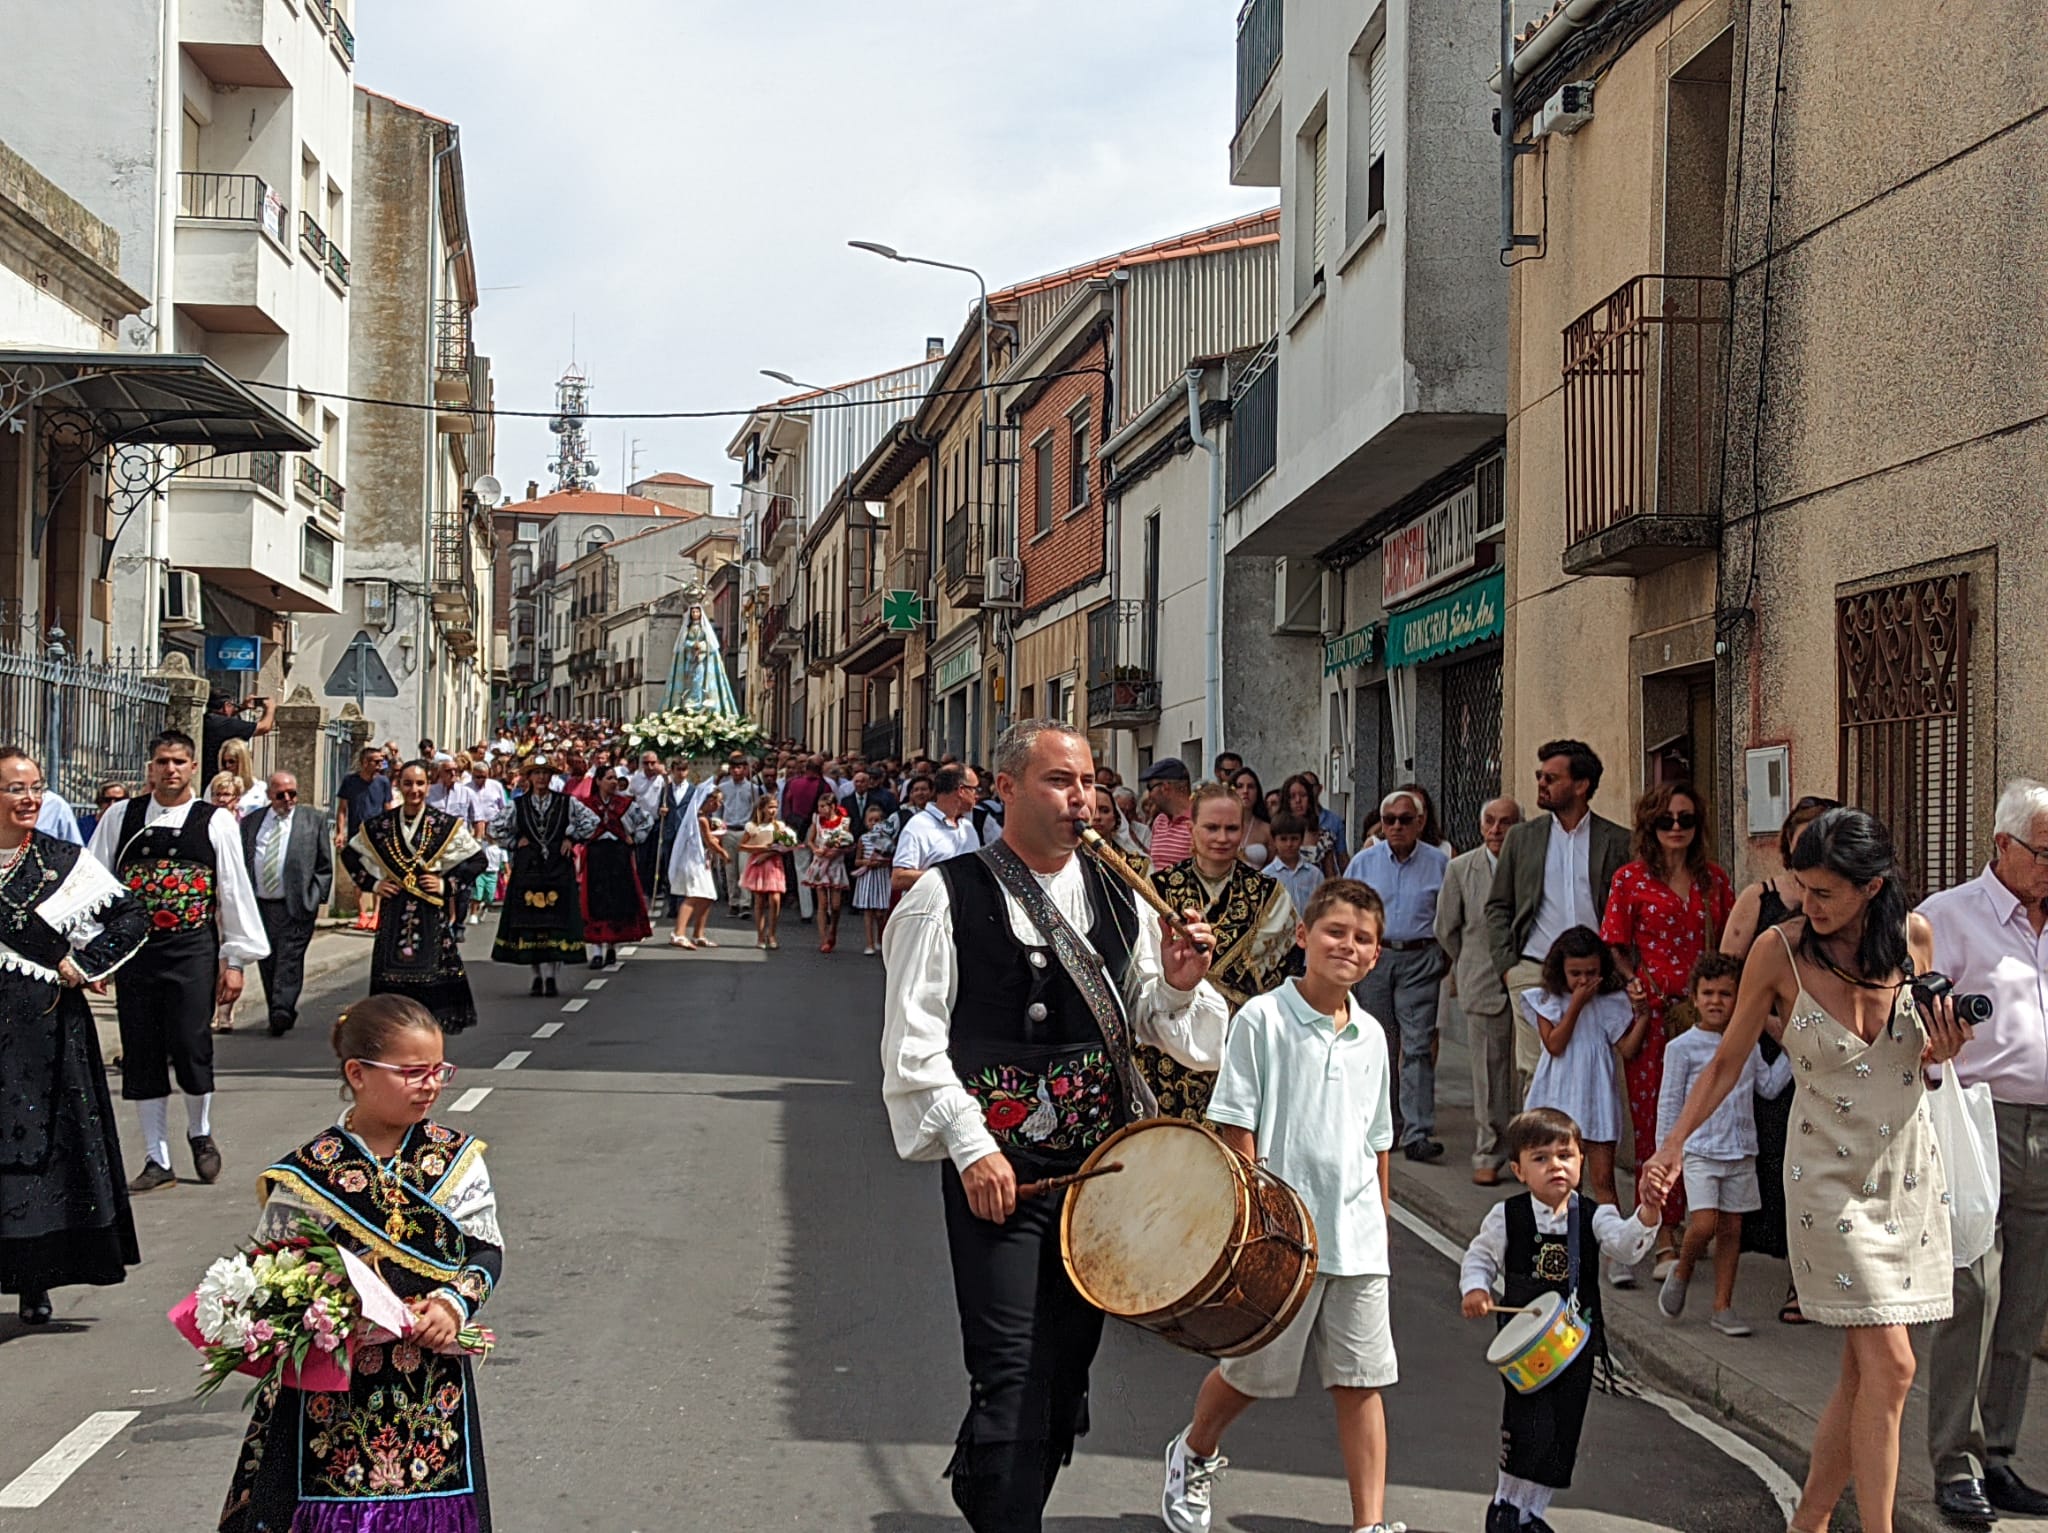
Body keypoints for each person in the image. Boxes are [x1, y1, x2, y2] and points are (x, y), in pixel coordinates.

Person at [880, 719, 1224, 1533]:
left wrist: (1177, 983)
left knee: (1065, 1374)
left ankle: (992, 1485)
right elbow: (915, 1045)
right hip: (1000, 1173)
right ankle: (1005, 1509)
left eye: (1089, 782)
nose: (1083, 798)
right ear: (1004, 788)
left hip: (1098, 1179)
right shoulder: (947, 894)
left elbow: (1162, 1022)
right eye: (1061, 780)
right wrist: (971, 1147)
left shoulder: (1116, 892)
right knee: (1008, 1370)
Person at [1641, 807, 1972, 1533]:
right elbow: (1727, 1059)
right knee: (1894, 1366)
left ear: (1872, 886)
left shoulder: (1913, 938)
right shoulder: (1776, 950)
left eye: (1823, 893)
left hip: (1908, 1173)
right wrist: (1671, 1147)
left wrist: (1944, 1049)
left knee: (1864, 1376)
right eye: (1801, 887)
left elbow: (1924, 1060)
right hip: (1826, 1181)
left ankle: (1810, 1521)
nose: (1806, 904)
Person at [1162, 881, 1402, 1533]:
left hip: (1356, 1240)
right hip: (1284, 1240)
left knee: (1361, 1381)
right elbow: (1237, 1125)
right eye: (1334, 931)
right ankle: (1194, 1449)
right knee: (1250, 1373)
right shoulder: (1262, 1019)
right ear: (1303, 936)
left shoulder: (1374, 1036)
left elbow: (1378, 1140)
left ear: (1376, 955)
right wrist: (1257, 1225)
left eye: (1362, 938)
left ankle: (1370, 1524)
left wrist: (1378, 1224)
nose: (1347, 945)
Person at [219, 995, 501, 1533]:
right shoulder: (310, 1172)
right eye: (413, 1072)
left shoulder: (456, 1160)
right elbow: (272, 1273)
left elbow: (485, 1248)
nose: (432, 1085)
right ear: (358, 1073)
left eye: (439, 1070)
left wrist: (453, 1303)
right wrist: (327, 1313)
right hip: (332, 1383)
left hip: (429, 1378)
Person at [1922, 778, 2048, 1526]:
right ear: (2002, 845)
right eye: (2044, 853)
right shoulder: (1948, 917)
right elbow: (1913, 1020)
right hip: (1978, 1118)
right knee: (1972, 1289)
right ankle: (1955, 1461)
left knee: (2027, 1300)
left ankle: (1998, 1453)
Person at [0, 747, 150, 1326]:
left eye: (36, 786)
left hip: (45, 1030)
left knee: (45, 1156)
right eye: (16, 788)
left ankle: (34, 1279)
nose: (29, 798)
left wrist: (87, 962)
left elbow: (130, 915)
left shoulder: (62, 861)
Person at [1460, 1107, 1662, 1533]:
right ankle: (1505, 1507)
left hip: (1575, 1344)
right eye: (1541, 1158)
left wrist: (1646, 1213)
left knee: (1561, 1430)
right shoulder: (1507, 1216)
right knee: (1525, 1425)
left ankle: (1532, 1513)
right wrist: (1475, 1288)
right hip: (1524, 1348)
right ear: (1518, 1169)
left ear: (1581, 1161)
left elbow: (1626, 1247)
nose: (1556, 1166)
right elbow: (1480, 1255)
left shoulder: (1594, 1215)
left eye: (1565, 1156)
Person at [88, 729, 268, 1193]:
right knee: (142, 1050)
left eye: (179, 762)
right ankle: (155, 1157)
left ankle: (199, 1131)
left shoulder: (215, 822)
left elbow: (232, 891)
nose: (170, 770)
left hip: (192, 946)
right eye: (162, 761)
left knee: (191, 1045)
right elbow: (95, 883)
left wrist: (235, 960)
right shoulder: (121, 818)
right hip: (137, 950)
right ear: (150, 768)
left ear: (193, 769)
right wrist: (97, 953)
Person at [1601, 779, 1736, 1278]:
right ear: (1650, 826)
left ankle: (1700, 1225)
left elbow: (1728, 943)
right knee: (1655, 1124)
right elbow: (1615, 942)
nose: (1676, 828)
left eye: (1686, 819)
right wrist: (1634, 983)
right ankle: (1659, 1231)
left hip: (1705, 1018)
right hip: (1655, 1018)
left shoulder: (1714, 882)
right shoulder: (1630, 880)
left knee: (1704, 1119)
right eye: (1666, 820)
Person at [1720, 793, 1839, 1323]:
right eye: (1803, 833)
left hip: (1827, 1054)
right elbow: (1729, 973)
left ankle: (1806, 1281)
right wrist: (1773, 1025)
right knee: (1776, 1163)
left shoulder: (1849, 902)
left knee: (1817, 1172)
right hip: (1771, 1048)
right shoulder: (1760, 897)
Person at [1654, 951, 1792, 1335]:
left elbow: (1767, 1086)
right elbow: (1669, 1104)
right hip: (1700, 1150)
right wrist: (1667, 1153)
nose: (1717, 1001)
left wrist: (1793, 1052)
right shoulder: (1681, 1049)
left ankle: (1722, 1306)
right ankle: (1682, 1270)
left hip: (1741, 1149)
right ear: (1694, 998)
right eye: (1708, 993)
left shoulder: (1746, 1044)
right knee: (1704, 1224)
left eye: (1726, 994)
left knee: (1732, 1229)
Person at [1485, 740, 1632, 1097]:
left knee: (1595, 1072)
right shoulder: (1522, 838)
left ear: (1581, 786)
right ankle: (1537, 1152)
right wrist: (1509, 968)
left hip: (1597, 975)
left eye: (1551, 777)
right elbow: (1498, 906)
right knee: (1537, 1075)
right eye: (1540, 776)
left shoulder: (1617, 841)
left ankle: (1586, 1151)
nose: (1541, 784)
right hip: (1534, 971)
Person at [1141, 783, 1296, 1120]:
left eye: (1231, 828)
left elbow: (1282, 968)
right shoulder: (1158, 890)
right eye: (1211, 827)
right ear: (1192, 829)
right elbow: (1146, 964)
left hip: (1240, 1036)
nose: (1222, 837)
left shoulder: (1268, 893)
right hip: (1172, 1040)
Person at [1520, 926, 1652, 1269]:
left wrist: (1643, 1016)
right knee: (1555, 1179)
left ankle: (1616, 1255)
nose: (1583, 980)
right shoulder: (1548, 1001)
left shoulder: (1610, 1004)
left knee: (1603, 1180)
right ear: (1560, 971)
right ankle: (1552, 1249)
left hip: (1595, 1099)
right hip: (1559, 1097)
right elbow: (1555, 1044)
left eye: (1591, 973)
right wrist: (1576, 1005)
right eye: (1575, 974)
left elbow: (1627, 1048)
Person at [1346, 788, 1453, 1162]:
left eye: (1405, 820)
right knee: (1379, 1043)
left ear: (1420, 823)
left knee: (1419, 1045)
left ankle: (1418, 1130)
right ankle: (1384, 1125)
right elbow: (1346, 907)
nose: (1396, 827)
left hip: (1421, 956)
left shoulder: (1439, 863)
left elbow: (1451, 914)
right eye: (1389, 819)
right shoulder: (1365, 862)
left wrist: (1446, 954)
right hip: (1376, 957)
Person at [343, 761, 487, 1033]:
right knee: (393, 971)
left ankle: (428, 1033)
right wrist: (374, 885)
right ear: (398, 785)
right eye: (408, 783)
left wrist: (445, 885)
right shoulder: (382, 826)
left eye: (420, 784)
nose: (414, 789)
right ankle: (394, 1030)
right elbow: (350, 855)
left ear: (428, 786)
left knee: (431, 971)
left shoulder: (443, 824)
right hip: (394, 910)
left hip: (430, 910)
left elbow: (477, 860)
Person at [1437, 796, 1524, 1185]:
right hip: (1482, 980)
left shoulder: (1530, 864)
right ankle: (1488, 1150)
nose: (1496, 830)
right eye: (1490, 821)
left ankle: (1526, 1149)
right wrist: (1468, 963)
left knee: (1527, 1072)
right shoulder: (1460, 869)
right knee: (1488, 1072)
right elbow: (1446, 928)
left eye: (1506, 822)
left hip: (1528, 981)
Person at [490, 755, 599, 998]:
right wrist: (514, 841)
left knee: (555, 924)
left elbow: (592, 821)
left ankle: (551, 976)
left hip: (558, 869)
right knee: (530, 923)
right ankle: (536, 975)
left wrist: (572, 838)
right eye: (537, 773)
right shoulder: (518, 805)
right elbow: (493, 827)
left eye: (545, 773)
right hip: (528, 869)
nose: (541, 777)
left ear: (552, 777)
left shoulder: (566, 802)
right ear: (528, 777)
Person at [241, 772, 332, 1038]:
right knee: (268, 959)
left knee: (289, 959)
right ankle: (277, 1007)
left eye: (292, 793)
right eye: (281, 794)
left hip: (296, 904)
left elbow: (324, 866)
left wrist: (315, 897)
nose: (288, 799)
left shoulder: (311, 820)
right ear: (270, 795)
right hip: (261, 905)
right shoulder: (252, 823)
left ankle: (282, 1008)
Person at [580, 771, 653, 969]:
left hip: (618, 855)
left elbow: (647, 821)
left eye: (615, 779)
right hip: (596, 855)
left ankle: (612, 945)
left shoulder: (625, 805)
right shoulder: (586, 805)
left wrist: (634, 838)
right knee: (596, 901)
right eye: (609, 778)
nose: (613, 782)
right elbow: (572, 826)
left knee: (617, 901)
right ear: (598, 781)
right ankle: (596, 951)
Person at [892, 765, 982, 893]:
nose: (977, 795)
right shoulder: (919, 826)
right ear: (961, 790)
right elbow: (898, 878)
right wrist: (947, 877)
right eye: (975, 789)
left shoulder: (968, 827)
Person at [336, 746, 394, 933]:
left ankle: (376, 914)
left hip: (377, 836)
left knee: (378, 874)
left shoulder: (384, 782)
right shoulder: (350, 782)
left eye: (381, 761)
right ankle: (362, 914)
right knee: (358, 876)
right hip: (356, 835)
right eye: (376, 761)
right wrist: (340, 831)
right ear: (365, 763)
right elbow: (343, 809)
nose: (380, 765)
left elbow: (388, 808)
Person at [665, 778, 726, 950]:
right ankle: (678, 932)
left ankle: (698, 933)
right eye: (717, 801)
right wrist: (723, 852)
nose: (719, 805)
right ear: (708, 800)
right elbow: (709, 841)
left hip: (701, 860)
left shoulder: (705, 818)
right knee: (693, 895)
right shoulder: (701, 819)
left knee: (707, 896)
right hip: (693, 862)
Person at [739, 795, 792, 950]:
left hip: (774, 864)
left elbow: (786, 845)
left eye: (775, 807)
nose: (773, 810)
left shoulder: (779, 826)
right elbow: (742, 846)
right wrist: (760, 849)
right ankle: (761, 936)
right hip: (758, 864)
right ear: (762, 808)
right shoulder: (753, 826)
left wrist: (773, 850)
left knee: (775, 899)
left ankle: (772, 933)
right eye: (770, 807)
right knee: (760, 901)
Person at [804, 794, 854, 954]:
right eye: (819, 807)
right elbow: (810, 840)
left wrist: (838, 849)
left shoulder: (844, 822)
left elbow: (847, 841)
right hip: (820, 864)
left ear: (832, 807)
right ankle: (824, 938)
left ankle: (833, 929)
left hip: (835, 865)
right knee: (823, 904)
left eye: (823, 806)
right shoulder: (817, 821)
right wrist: (815, 850)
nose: (820, 810)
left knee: (836, 905)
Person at [199, 690, 273, 788]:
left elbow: (227, 716)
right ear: (226, 705)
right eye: (232, 705)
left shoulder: (206, 720)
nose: (234, 708)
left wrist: (241, 707)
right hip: (219, 783)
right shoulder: (222, 724)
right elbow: (264, 727)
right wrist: (271, 708)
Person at [720, 756, 761, 917]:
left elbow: (756, 809)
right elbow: (719, 809)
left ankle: (745, 903)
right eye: (734, 768)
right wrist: (718, 829)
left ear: (745, 769)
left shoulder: (753, 788)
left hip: (745, 830)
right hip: (728, 829)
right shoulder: (723, 787)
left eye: (740, 767)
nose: (737, 771)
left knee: (745, 868)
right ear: (729, 769)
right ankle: (733, 902)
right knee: (730, 869)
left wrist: (754, 828)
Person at [1266, 812, 1322, 931]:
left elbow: (1322, 906)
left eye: (1294, 839)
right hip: (1279, 938)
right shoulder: (1267, 876)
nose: (1289, 844)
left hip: (1308, 935)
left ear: (1301, 840)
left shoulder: (1314, 874)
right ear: (1274, 841)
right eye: (1283, 839)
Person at [625, 748, 670, 895]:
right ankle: (643, 886)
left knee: (657, 855)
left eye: (653, 763)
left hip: (658, 821)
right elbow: (630, 799)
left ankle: (657, 886)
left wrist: (664, 775)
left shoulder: (663, 779)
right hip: (642, 823)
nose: (650, 767)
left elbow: (672, 792)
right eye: (646, 763)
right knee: (642, 856)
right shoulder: (636, 779)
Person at [1280, 774, 1342, 878]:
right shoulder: (1275, 834)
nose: (1298, 800)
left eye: (1303, 795)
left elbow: (1330, 875)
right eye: (1292, 796)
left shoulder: (1324, 836)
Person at [853, 803, 893, 955]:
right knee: (868, 911)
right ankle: (869, 943)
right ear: (866, 822)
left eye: (877, 820)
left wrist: (882, 862)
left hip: (882, 877)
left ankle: (880, 939)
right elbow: (857, 861)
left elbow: (891, 858)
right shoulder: (863, 839)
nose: (874, 823)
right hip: (868, 877)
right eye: (871, 820)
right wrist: (867, 863)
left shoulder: (887, 840)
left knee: (881, 912)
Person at [1142, 758, 1195, 870]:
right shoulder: (1159, 821)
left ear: (1165, 788)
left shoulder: (1199, 820)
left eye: (1150, 788)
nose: (1149, 795)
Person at [1230, 767, 1274, 869]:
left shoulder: (1267, 829)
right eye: (1240, 786)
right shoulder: (1221, 826)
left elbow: (1273, 866)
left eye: (1250, 787)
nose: (1245, 791)